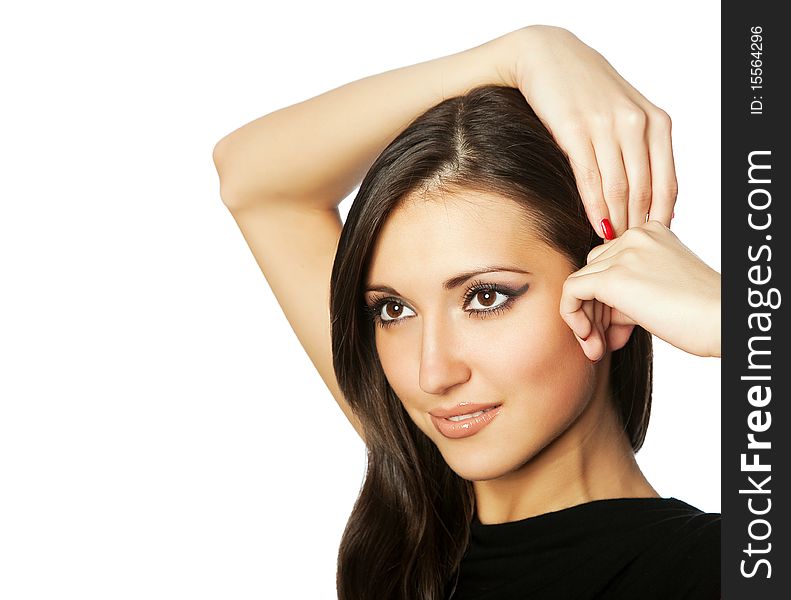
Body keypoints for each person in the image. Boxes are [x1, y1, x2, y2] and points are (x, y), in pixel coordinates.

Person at [212, 25, 720, 599]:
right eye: (395, 310)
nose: (433, 374)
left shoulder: (716, 567)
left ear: (608, 297)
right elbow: (251, 178)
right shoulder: (418, 526)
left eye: (485, 298)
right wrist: (518, 55)